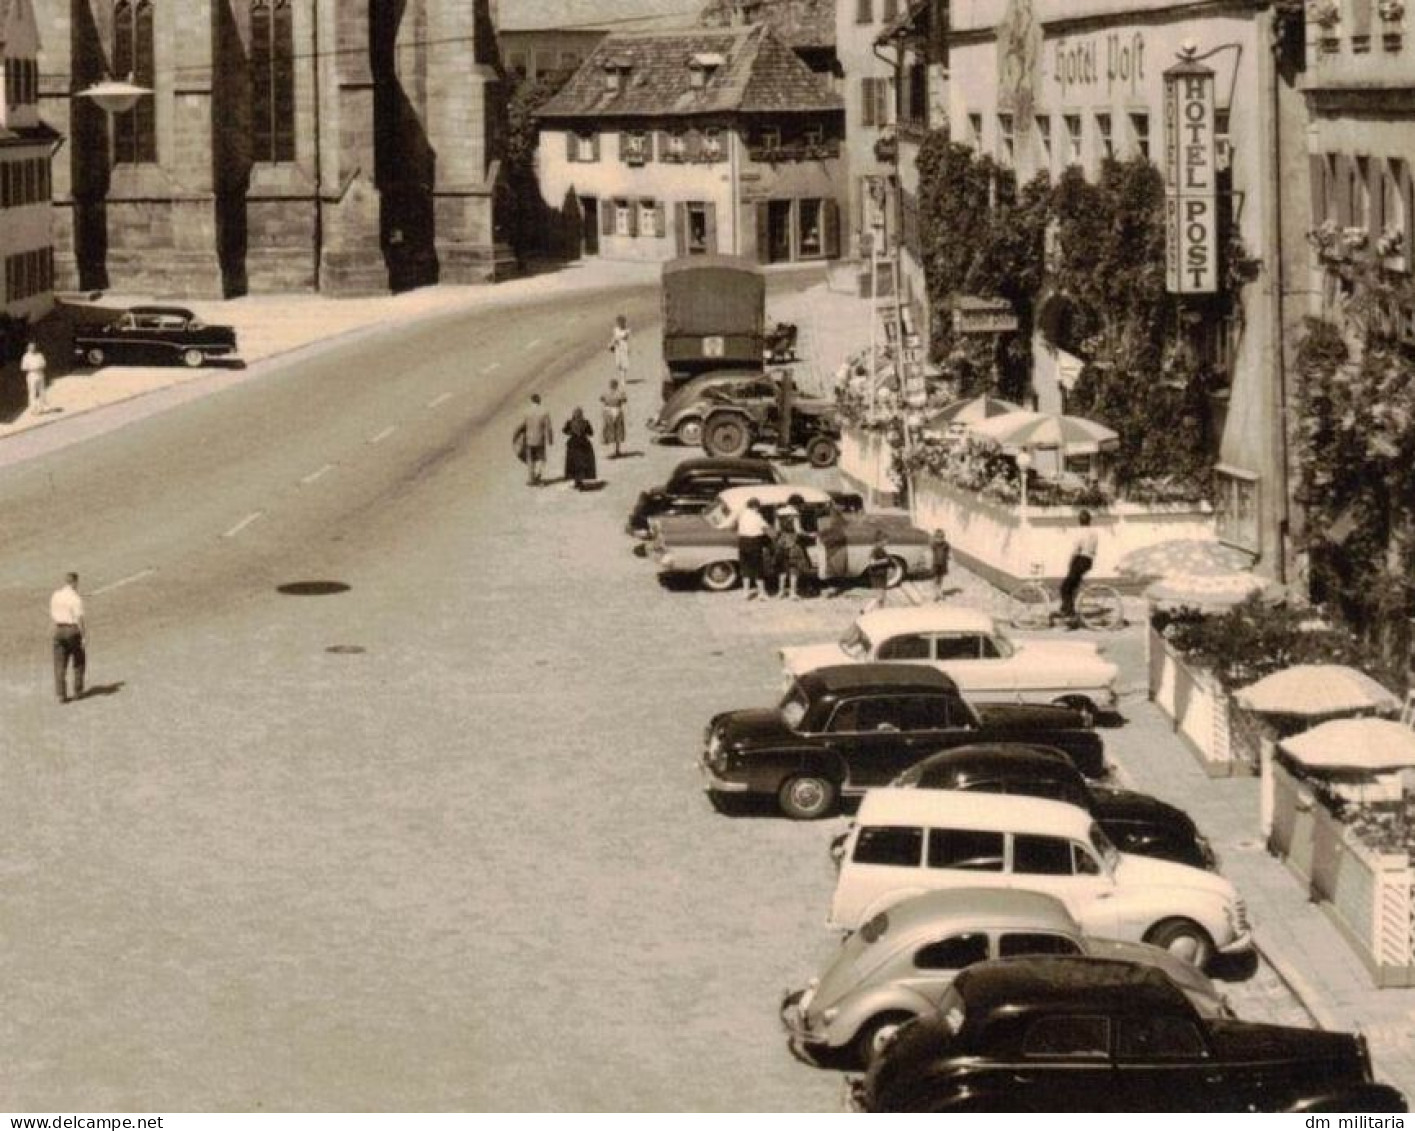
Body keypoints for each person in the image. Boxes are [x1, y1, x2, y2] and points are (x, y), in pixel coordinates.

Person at [1059, 509, 1099, 629]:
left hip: (1080, 560)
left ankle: (1070, 616)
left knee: (1064, 588)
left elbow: (1076, 549)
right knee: (1072, 586)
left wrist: (1070, 561)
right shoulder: (1094, 533)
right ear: (1089, 521)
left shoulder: (1080, 532)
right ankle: (1065, 608)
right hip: (1089, 561)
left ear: (1079, 521)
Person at [50, 572, 86, 704]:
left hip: (58, 630)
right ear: (74, 582)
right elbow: (79, 619)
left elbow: (53, 614)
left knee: (59, 664)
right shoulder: (75, 599)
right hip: (72, 630)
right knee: (79, 660)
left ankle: (61, 695)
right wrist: (83, 636)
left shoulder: (56, 595)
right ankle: (78, 691)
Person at [735, 497, 772, 600]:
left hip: (742, 542)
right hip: (754, 542)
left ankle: (745, 592)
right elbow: (766, 528)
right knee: (758, 569)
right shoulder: (757, 516)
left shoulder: (741, 515)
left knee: (745, 568)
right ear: (755, 507)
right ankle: (762, 593)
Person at [775, 494, 811, 600]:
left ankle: (781, 592)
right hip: (793, 541)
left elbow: (777, 529)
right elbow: (798, 530)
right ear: (797, 504)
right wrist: (810, 534)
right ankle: (792, 593)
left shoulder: (778, 512)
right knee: (794, 568)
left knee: (782, 568)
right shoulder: (795, 513)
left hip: (781, 541)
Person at [521, 394, 553, 486]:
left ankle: (531, 478)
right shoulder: (544, 411)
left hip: (529, 439)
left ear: (531, 401)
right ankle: (538, 476)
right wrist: (550, 439)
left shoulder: (526, 411)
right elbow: (548, 427)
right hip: (540, 439)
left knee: (530, 459)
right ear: (539, 400)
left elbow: (523, 425)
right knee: (543, 459)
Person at [563, 407, 597, 490]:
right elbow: (591, 433)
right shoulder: (585, 422)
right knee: (583, 463)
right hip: (583, 443)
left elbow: (564, 431)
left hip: (573, 443)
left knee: (573, 463)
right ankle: (581, 480)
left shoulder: (570, 422)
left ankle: (576, 481)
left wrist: (571, 432)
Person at [864, 531, 893, 611]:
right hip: (877, 576)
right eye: (886, 540)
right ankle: (866, 610)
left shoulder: (881, 550)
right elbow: (872, 562)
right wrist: (884, 561)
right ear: (880, 540)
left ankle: (880, 612)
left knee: (883, 597)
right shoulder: (875, 550)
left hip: (882, 575)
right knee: (879, 596)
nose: (887, 542)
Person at [600, 378, 628, 459]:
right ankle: (617, 450)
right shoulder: (619, 393)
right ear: (616, 385)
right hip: (617, 411)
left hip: (608, 412)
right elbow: (624, 400)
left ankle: (608, 444)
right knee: (618, 430)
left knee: (608, 429)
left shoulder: (606, 393)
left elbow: (601, 399)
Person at [21, 340, 49, 414]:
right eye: (31, 347)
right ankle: (33, 408)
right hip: (32, 375)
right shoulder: (26, 356)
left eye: (33, 347)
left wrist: (40, 366)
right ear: (28, 348)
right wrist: (31, 368)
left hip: (40, 374)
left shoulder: (39, 355)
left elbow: (44, 363)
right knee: (32, 392)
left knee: (42, 391)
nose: (32, 348)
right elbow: (23, 367)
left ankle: (43, 407)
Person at [930, 528, 951, 601]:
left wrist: (948, 557)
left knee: (941, 579)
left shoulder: (946, 545)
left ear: (944, 537)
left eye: (941, 537)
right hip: (935, 564)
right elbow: (930, 554)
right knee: (935, 579)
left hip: (943, 564)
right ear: (935, 538)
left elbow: (948, 553)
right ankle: (935, 594)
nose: (940, 540)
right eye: (938, 538)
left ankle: (940, 592)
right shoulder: (933, 545)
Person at [609, 314, 631, 380]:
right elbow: (614, 337)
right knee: (618, 364)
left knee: (624, 364)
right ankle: (622, 376)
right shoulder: (615, 330)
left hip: (624, 347)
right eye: (618, 322)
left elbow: (625, 337)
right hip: (617, 348)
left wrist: (617, 339)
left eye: (621, 322)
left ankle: (623, 378)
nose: (620, 324)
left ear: (624, 322)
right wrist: (611, 344)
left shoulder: (627, 330)